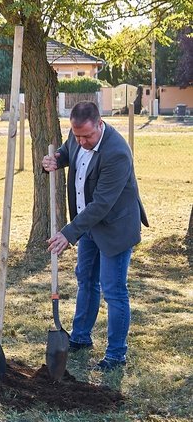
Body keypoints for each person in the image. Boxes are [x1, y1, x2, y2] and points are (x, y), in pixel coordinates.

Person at [42, 101, 148, 372]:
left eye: (87, 136)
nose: (82, 141)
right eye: (77, 136)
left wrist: (68, 233)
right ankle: (80, 337)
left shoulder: (117, 153)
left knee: (113, 290)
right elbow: (68, 152)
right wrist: (55, 159)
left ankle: (115, 355)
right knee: (86, 280)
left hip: (115, 227)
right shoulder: (77, 135)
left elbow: (102, 204)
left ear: (100, 124)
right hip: (87, 223)